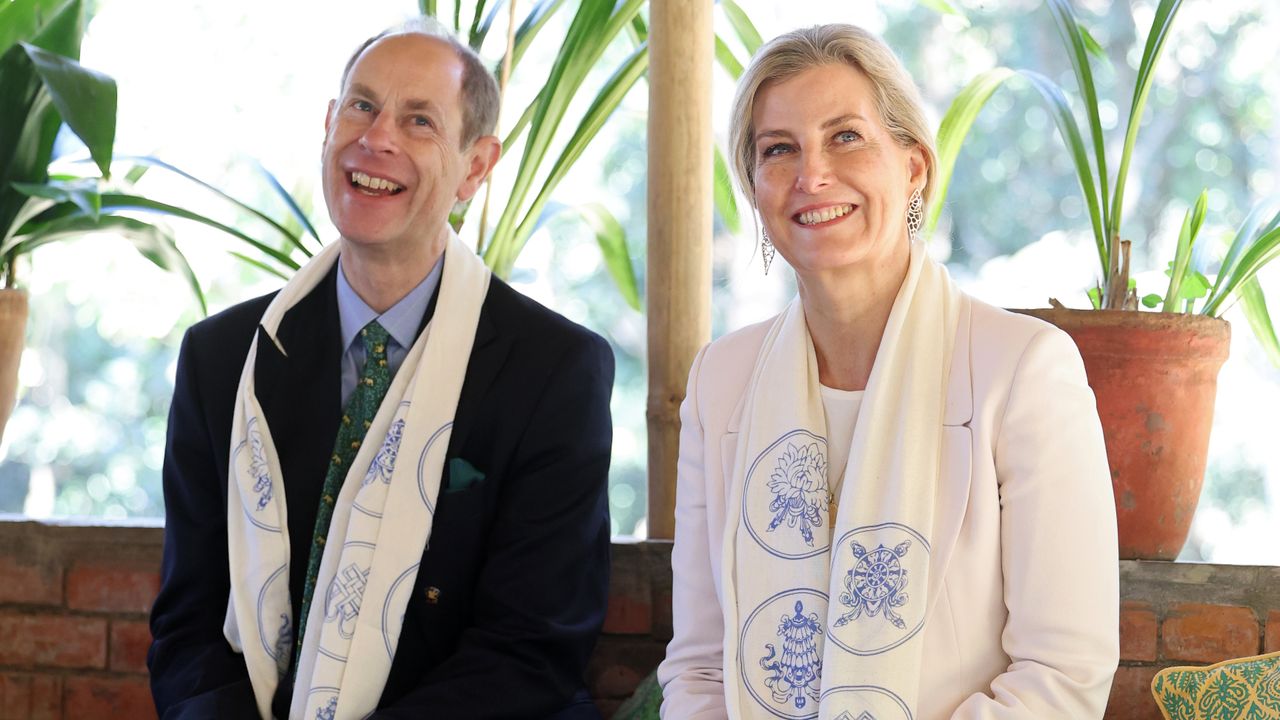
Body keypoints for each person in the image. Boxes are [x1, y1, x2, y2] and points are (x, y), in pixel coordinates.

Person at [148, 19, 614, 720]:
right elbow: (188, 630)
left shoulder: (554, 369)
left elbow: (530, 648)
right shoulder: (221, 360)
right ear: (331, 124)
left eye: (419, 120)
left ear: (475, 167)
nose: (378, 138)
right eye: (362, 107)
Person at [657, 24, 1118, 720]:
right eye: (778, 149)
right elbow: (697, 666)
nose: (811, 175)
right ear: (753, 189)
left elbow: (1062, 675)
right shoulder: (722, 381)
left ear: (913, 167)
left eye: (845, 136)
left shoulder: (1022, 370)